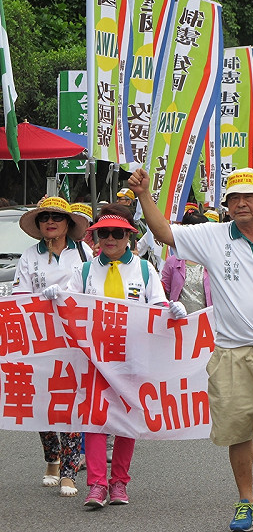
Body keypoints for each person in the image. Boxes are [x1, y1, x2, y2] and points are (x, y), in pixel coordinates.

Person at [127, 166, 253, 532]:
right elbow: (164, 231)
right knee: (238, 431)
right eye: (234, 198)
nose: (241, 203)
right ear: (226, 204)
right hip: (231, 353)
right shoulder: (212, 236)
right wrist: (143, 195)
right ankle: (246, 501)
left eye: (249, 197)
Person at [43, 204, 173, 508]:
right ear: (96, 236)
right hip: (94, 359)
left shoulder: (144, 269)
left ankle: (119, 484)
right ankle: (97, 484)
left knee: (126, 423)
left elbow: (158, 305)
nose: (111, 238)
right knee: (95, 420)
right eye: (104, 232)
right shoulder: (85, 270)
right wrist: (54, 298)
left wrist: (171, 311)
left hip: (132, 358)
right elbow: (70, 305)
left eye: (117, 233)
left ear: (128, 236)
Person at [13, 196, 91, 498]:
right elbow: (20, 295)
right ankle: (52, 461)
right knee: (44, 403)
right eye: (45, 217)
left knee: (71, 404)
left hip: (74, 340)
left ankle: (70, 472)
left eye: (57, 218)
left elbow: (91, 290)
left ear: (68, 224)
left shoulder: (82, 253)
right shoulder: (29, 256)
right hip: (39, 339)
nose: (50, 222)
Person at [160, 209, 212, 313]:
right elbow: (164, 291)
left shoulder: (213, 260)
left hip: (206, 322)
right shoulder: (172, 262)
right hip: (178, 321)